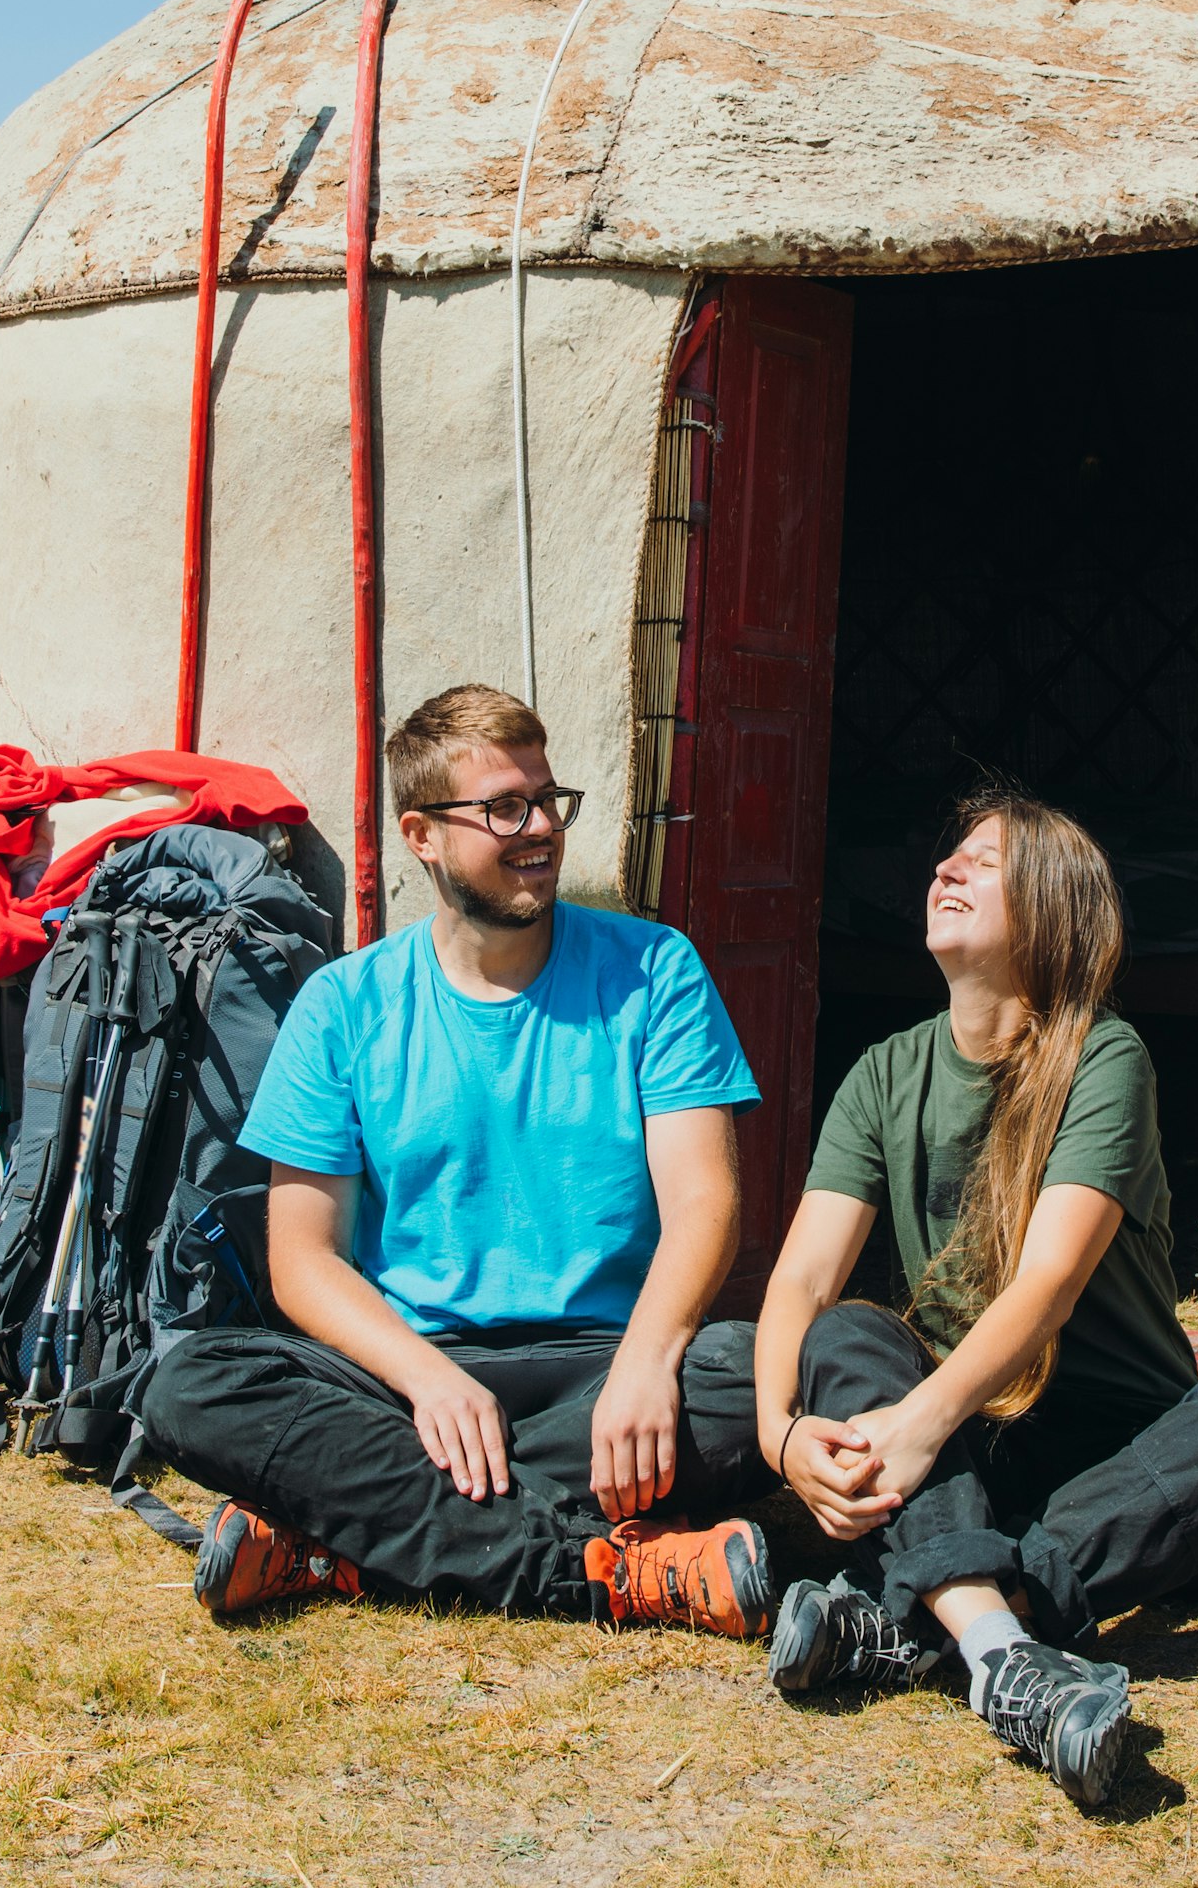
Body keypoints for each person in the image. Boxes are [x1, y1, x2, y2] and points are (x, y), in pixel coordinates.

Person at [138, 682, 775, 1634]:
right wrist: (429, 1381)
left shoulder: (655, 971)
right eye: (504, 809)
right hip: (411, 1378)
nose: (541, 831)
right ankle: (599, 1568)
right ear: (421, 835)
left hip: (607, 1368)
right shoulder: (345, 1006)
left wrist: (648, 1361)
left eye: (549, 800)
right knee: (191, 1384)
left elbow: (706, 1202)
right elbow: (301, 1258)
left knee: (784, 1369)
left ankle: (342, 1538)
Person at [747, 792, 1198, 1810]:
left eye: (985, 861)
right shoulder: (886, 1073)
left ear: (1053, 912)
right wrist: (780, 1437)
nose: (947, 870)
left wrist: (919, 1423)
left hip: (1120, 1456)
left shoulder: (1103, 1057)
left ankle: (927, 1620)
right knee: (845, 1333)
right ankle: (1004, 1650)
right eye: (948, 855)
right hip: (974, 1449)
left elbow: (1049, 1283)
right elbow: (798, 1280)